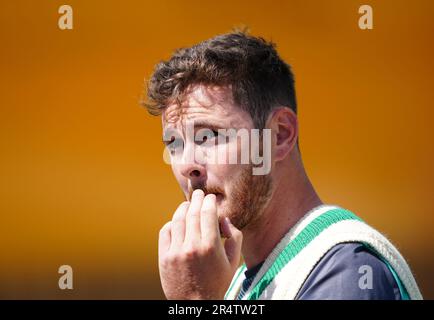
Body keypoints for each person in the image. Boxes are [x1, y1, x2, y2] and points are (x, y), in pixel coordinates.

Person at [142, 31, 422, 300]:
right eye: (174, 143)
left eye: (209, 136)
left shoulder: (346, 274)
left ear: (279, 135)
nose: (187, 165)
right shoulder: (239, 283)